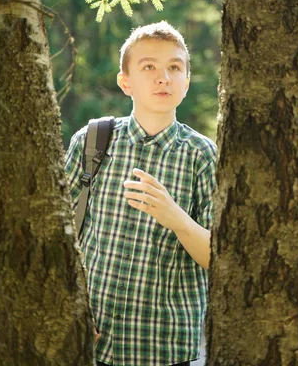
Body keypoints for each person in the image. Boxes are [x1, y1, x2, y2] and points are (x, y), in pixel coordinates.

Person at [64, 21, 217, 366]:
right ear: (126, 82)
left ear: (186, 82)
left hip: (162, 348)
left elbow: (217, 258)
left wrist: (175, 217)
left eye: (175, 68)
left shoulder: (202, 155)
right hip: (91, 340)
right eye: (149, 67)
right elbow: (60, 236)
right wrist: (68, 310)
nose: (163, 77)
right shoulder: (91, 142)